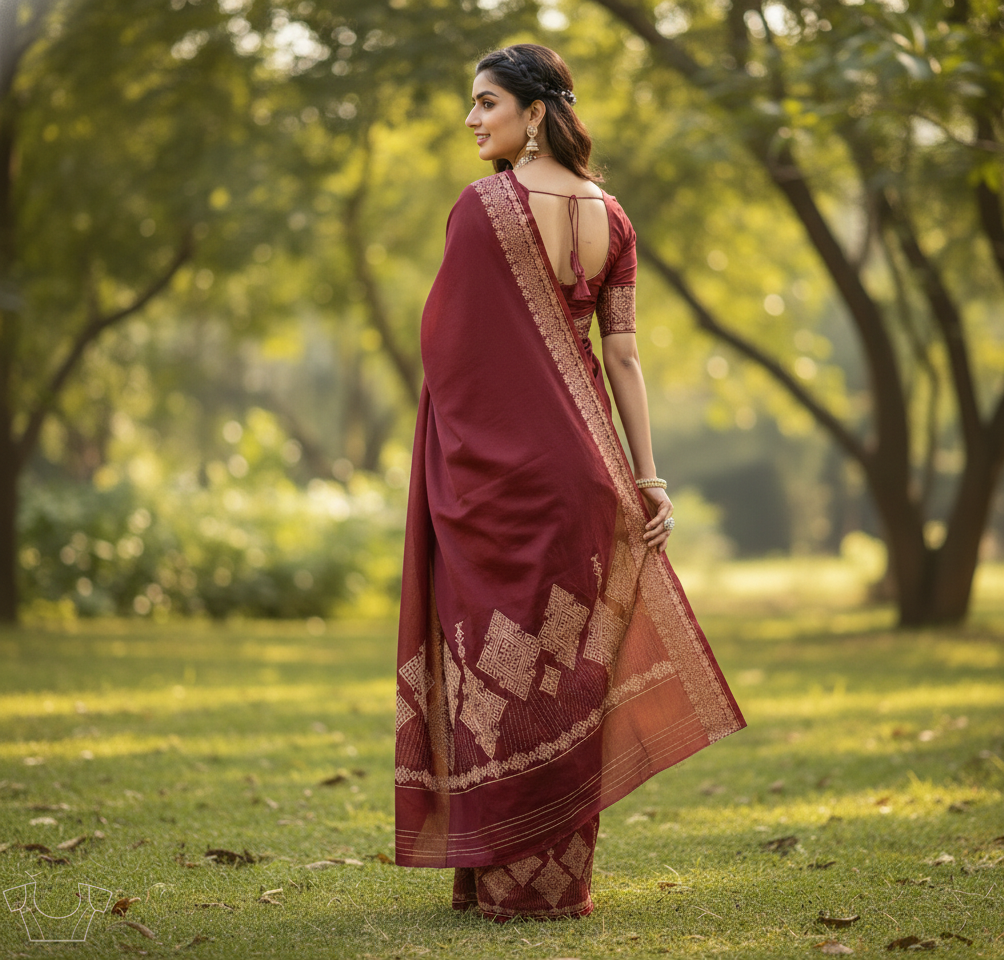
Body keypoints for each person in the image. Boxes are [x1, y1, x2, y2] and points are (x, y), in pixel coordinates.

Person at [394, 43, 745, 922]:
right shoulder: (613, 217)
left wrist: (454, 456)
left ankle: (500, 874)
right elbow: (622, 355)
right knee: (563, 674)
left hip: (505, 483)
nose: (473, 120)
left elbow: (451, 354)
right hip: (590, 477)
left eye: (485, 104)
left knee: (498, 667)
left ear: (533, 111)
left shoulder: (481, 210)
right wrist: (646, 477)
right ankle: (548, 881)